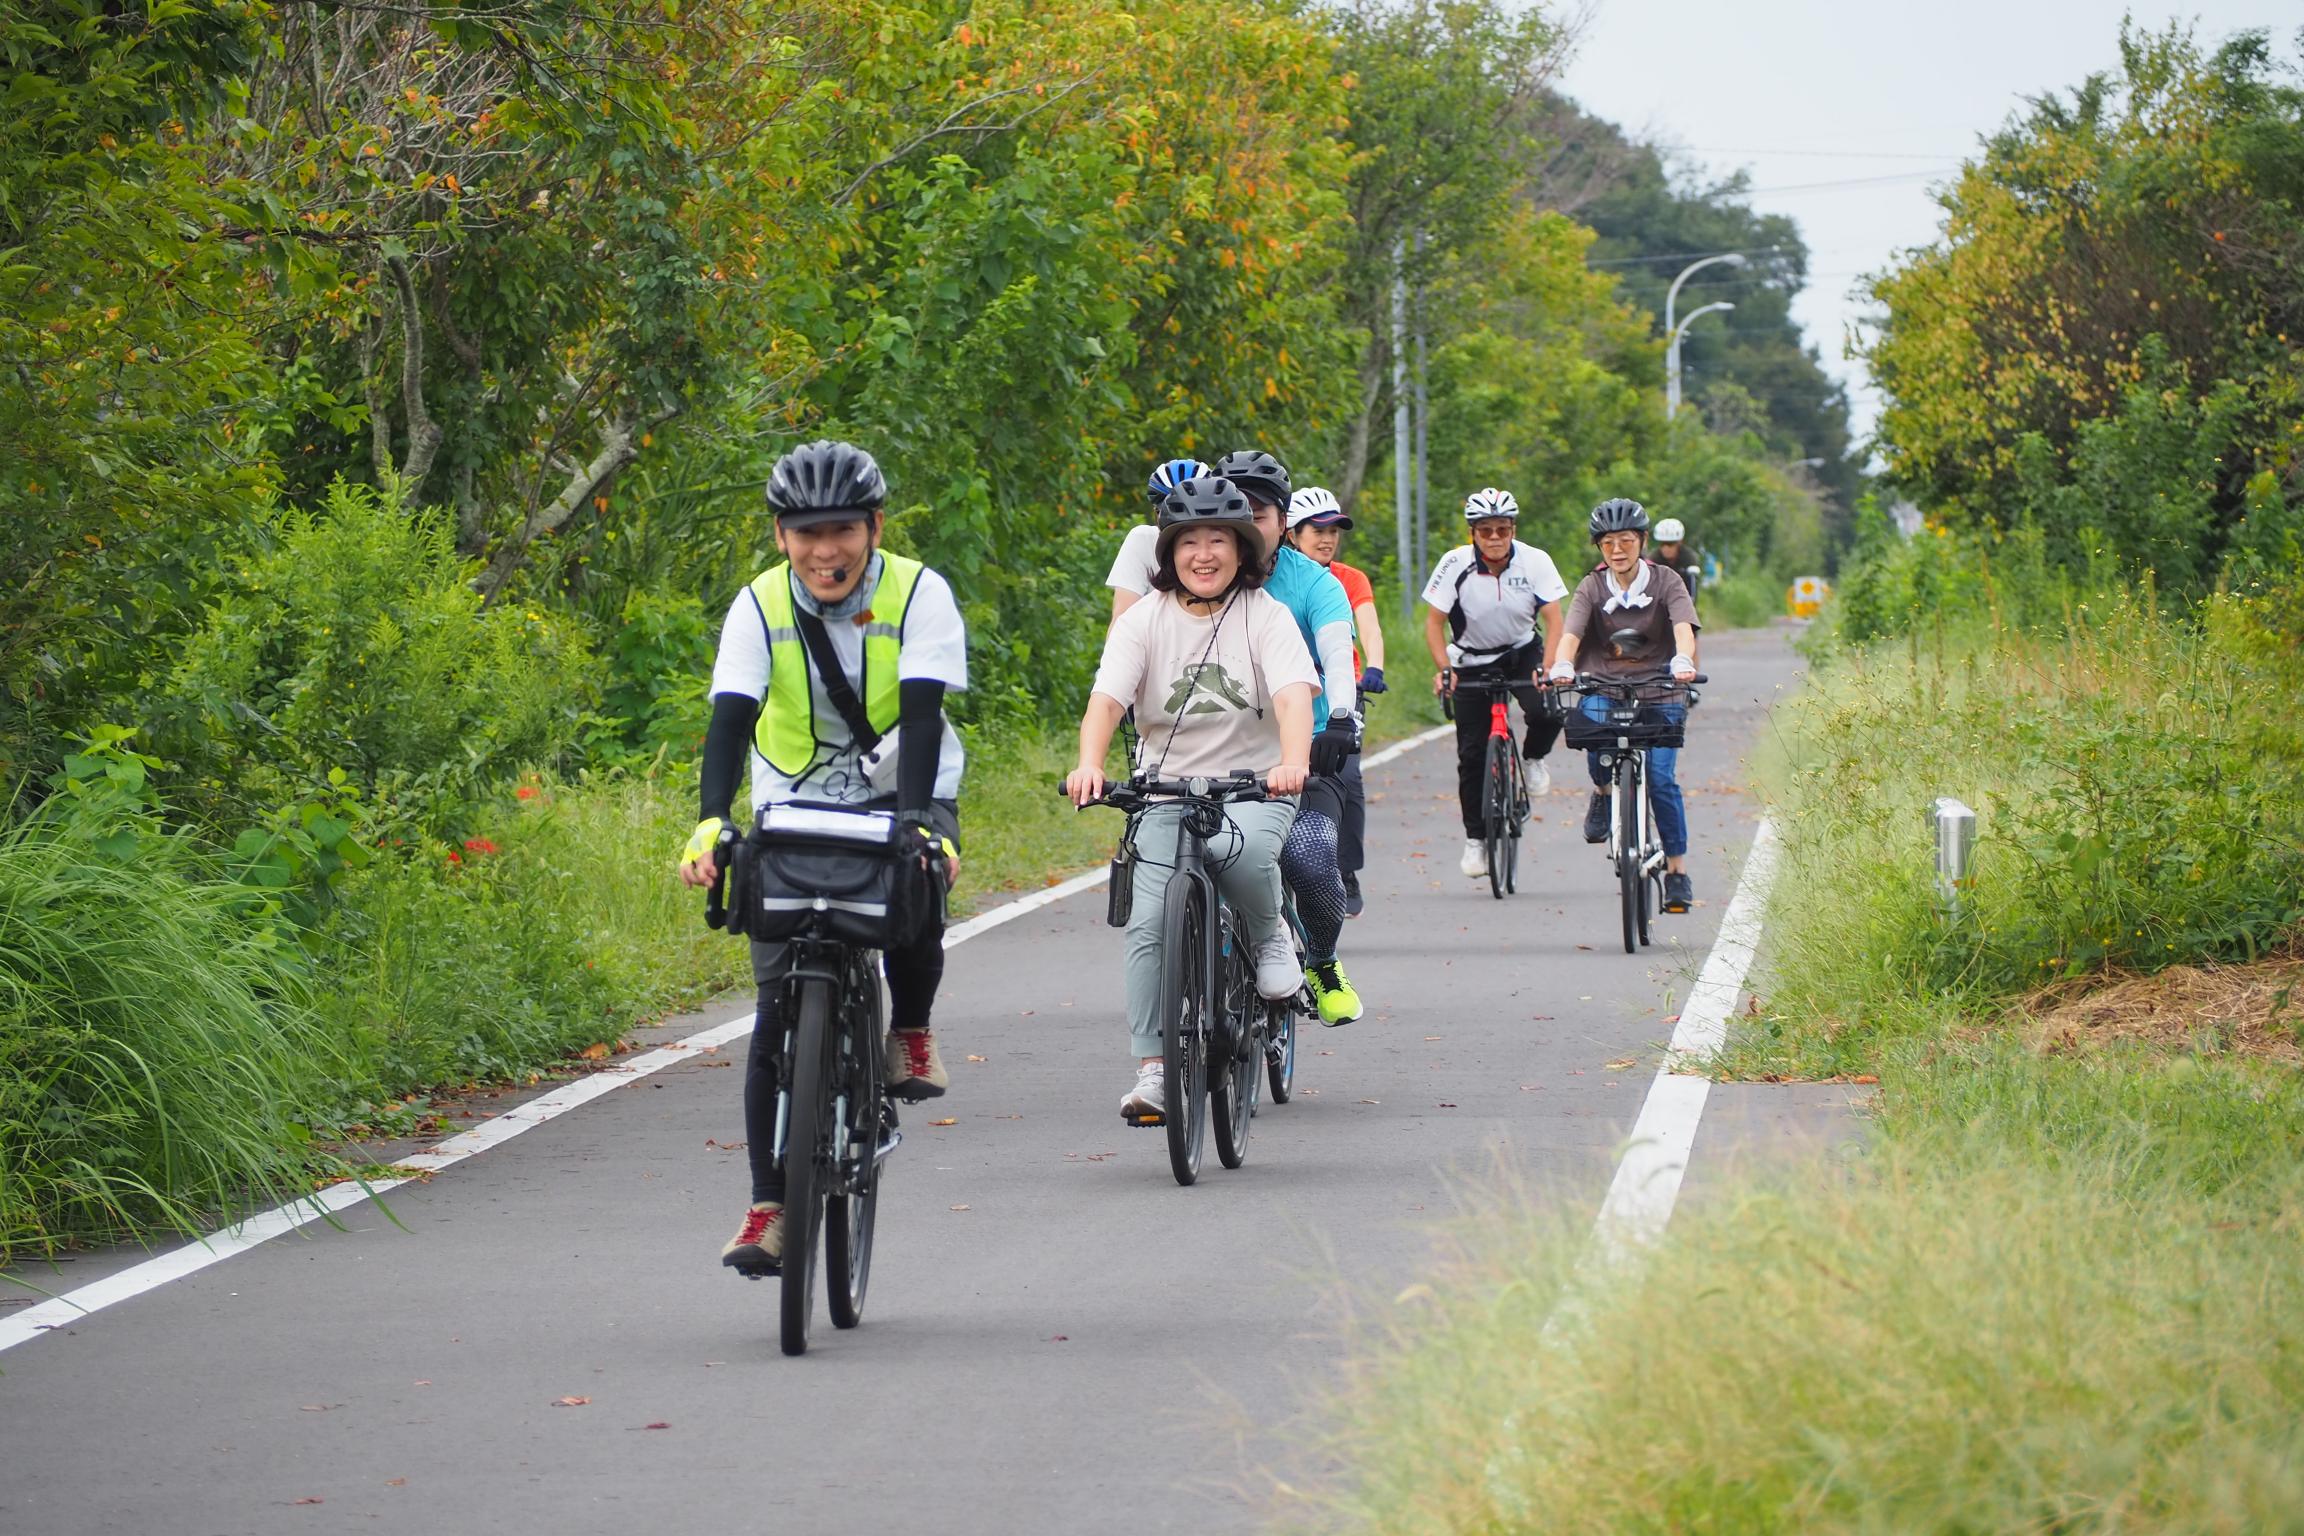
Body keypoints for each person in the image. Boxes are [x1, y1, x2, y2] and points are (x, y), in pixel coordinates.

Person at [677, 439, 968, 1272]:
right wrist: (709, 823)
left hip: (901, 785)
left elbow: (919, 714)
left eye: (842, 529)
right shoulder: (758, 604)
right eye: (806, 532)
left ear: (874, 527)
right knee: (774, 1008)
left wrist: (920, 823)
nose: (825, 550)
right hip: (793, 797)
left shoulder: (919, 593)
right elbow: (730, 720)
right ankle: (770, 1203)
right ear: (780, 536)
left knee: (917, 884)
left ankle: (907, 1028)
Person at [1066, 477, 1315, 1121]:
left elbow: (1292, 695)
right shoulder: (1144, 619)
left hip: (1254, 784)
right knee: (1148, 922)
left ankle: (1269, 937)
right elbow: (1108, 700)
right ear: (1169, 552)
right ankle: (1154, 1068)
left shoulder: (1268, 615)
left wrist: (1292, 763)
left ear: (1243, 551)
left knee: (1245, 855)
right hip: (1162, 787)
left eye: (1220, 541)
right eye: (1190, 542)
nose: (1204, 555)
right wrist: (1089, 765)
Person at [1213, 449, 1364, 1026]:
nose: (1248, 524)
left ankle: (1322, 961)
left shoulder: (1314, 584)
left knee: (1310, 856)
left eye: (1261, 512)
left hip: (1305, 747)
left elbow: (1334, 650)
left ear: (1283, 521)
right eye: (1236, 511)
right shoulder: (1198, 576)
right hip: (1215, 748)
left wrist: (1343, 716)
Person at [1549, 497, 1701, 913]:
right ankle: (1602, 793)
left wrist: (1683, 660)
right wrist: (1563, 663)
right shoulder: (1591, 586)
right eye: (1609, 542)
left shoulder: (1667, 581)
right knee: (1588, 731)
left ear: (1642, 541)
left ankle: (1676, 871)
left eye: (1627, 541)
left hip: (1661, 687)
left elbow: (1683, 627)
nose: (1618, 550)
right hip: (1605, 685)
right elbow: (1572, 632)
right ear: (1600, 547)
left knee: (1662, 777)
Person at [1420, 488, 1569, 879]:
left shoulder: (1535, 561)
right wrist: (1444, 667)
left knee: (1547, 708)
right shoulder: (1454, 563)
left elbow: (1555, 619)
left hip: (1522, 650)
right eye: (1486, 531)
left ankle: (1533, 759)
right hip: (1470, 659)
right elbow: (1434, 624)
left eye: (1502, 529)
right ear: (1473, 533)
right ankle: (1476, 840)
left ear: (1513, 529)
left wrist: (1548, 666)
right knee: (1471, 755)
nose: (1495, 538)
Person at [1285, 486, 1386, 918]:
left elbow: (1369, 628)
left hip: (1339, 691)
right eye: (1317, 529)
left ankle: (1345, 870)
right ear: (1292, 533)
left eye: (1334, 530)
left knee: (1347, 776)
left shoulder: (1349, 579)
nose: (1327, 538)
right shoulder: (1267, 579)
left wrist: (1374, 667)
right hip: (1280, 699)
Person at [1107, 457, 1211, 624]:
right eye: (1171, 512)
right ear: (1157, 514)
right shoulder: (1143, 540)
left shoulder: (1221, 549)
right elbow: (1122, 619)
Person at [1652, 517, 1700, 609]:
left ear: (1679, 542)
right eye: (1663, 544)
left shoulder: (1689, 558)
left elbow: (1693, 588)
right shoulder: (1654, 559)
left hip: (1682, 600)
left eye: (1670, 544)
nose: (1666, 548)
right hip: (1659, 603)